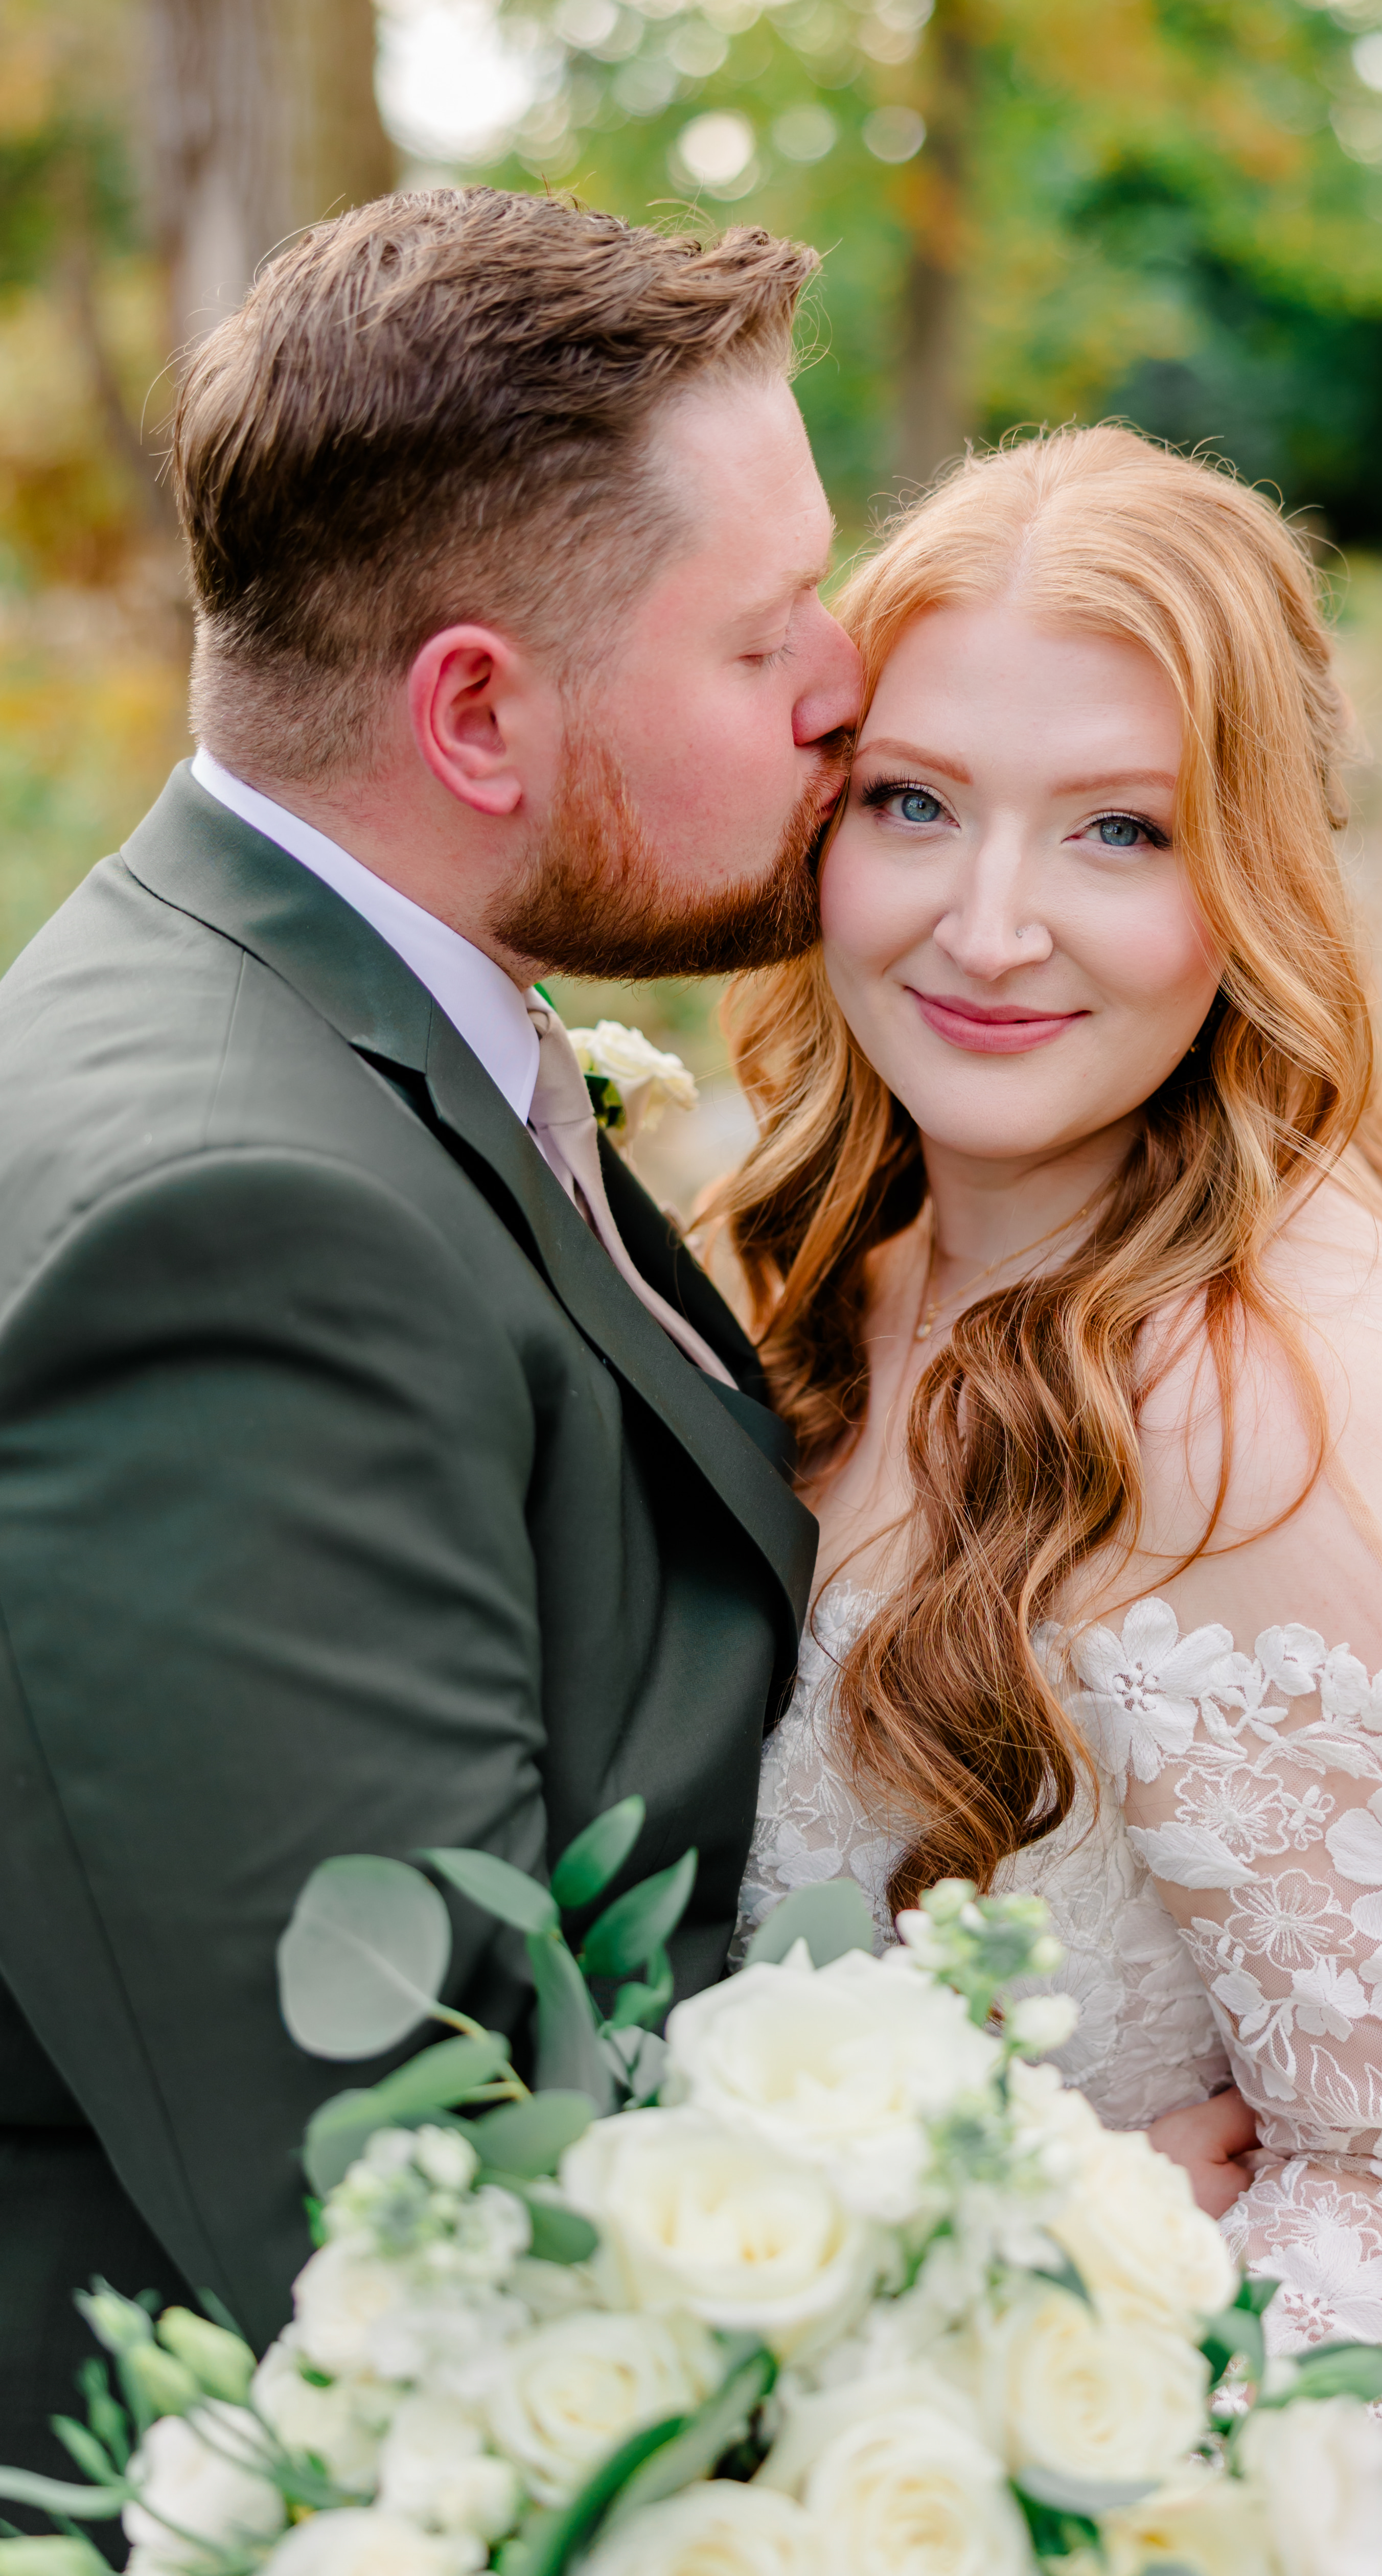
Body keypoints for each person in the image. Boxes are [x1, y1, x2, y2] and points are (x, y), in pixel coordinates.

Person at [0, 185, 865, 2461]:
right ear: (476, 715)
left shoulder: (343, 1019)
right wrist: (1006, 2213)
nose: (846, 688)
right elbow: (412, 2186)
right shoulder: (235, 1230)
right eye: (769, 634)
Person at [716, 427, 1382, 2570]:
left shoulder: (1274, 1405)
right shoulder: (819, 1255)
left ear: (1254, 874)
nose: (987, 925)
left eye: (1118, 828)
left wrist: (1002, 2361)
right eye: (914, 803)